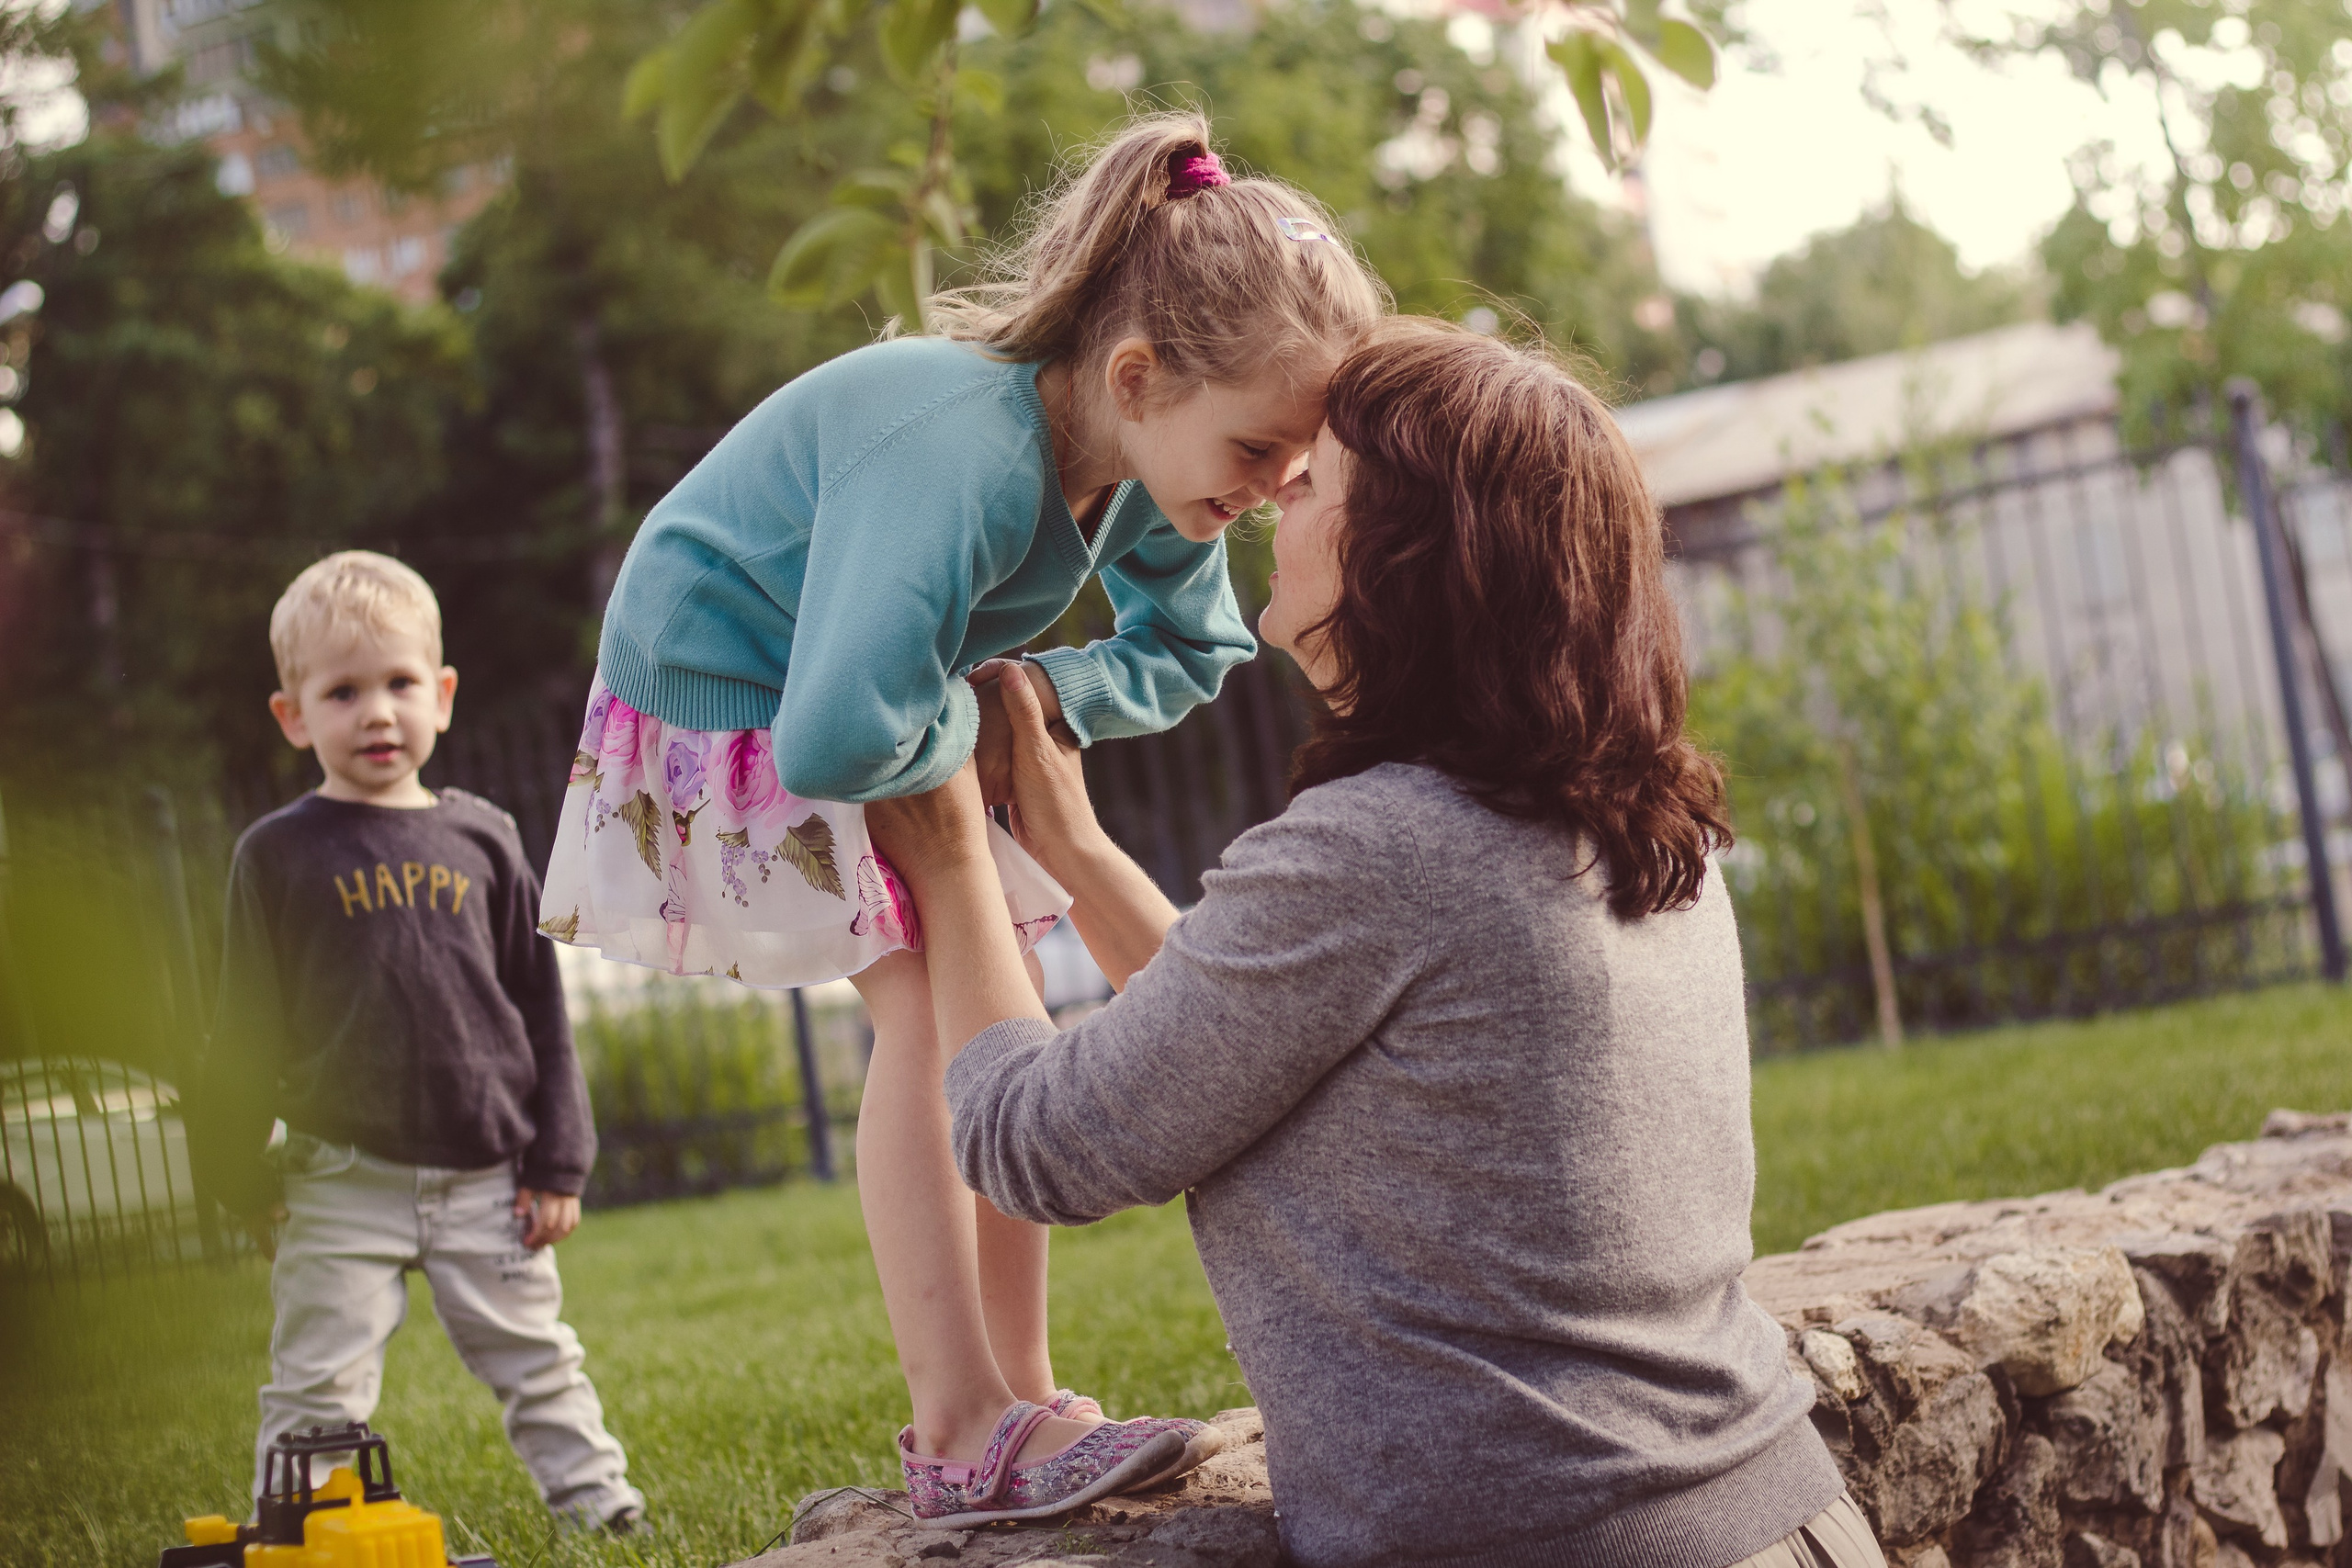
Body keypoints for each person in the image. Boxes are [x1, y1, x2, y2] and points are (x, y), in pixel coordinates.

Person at [866, 320, 1889, 1568]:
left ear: (1404, 556)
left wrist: (950, 856)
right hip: (1786, 1514)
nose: (1270, 502)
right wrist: (1072, 849)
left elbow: (1042, 1143)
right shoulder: (1617, 823)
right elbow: (1254, 1037)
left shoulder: (1384, 849)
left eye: (1313, 484)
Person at [539, 112, 1389, 1526]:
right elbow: (829, 729)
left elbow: (1193, 652)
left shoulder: (1159, 463)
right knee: (936, 1017)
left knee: (1007, 1013)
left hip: (874, 689)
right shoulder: (968, 454)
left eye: (1288, 471)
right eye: (1253, 451)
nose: (1258, 496)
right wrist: (965, 718)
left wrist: (1030, 700)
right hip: (733, 680)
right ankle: (957, 1423)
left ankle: (1026, 1393)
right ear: (1137, 373)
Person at [195, 551, 643, 1531]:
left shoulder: (483, 839)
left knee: (538, 1360)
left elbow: (538, 1007)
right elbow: (242, 1029)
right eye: (342, 691)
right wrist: (236, 1175)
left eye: (400, 684)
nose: (377, 713)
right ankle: (299, 1529)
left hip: (488, 1176)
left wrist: (558, 1160)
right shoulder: (274, 856)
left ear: (440, 696)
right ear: (294, 716)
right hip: (337, 1176)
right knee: (318, 1377)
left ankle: (602, 1510)